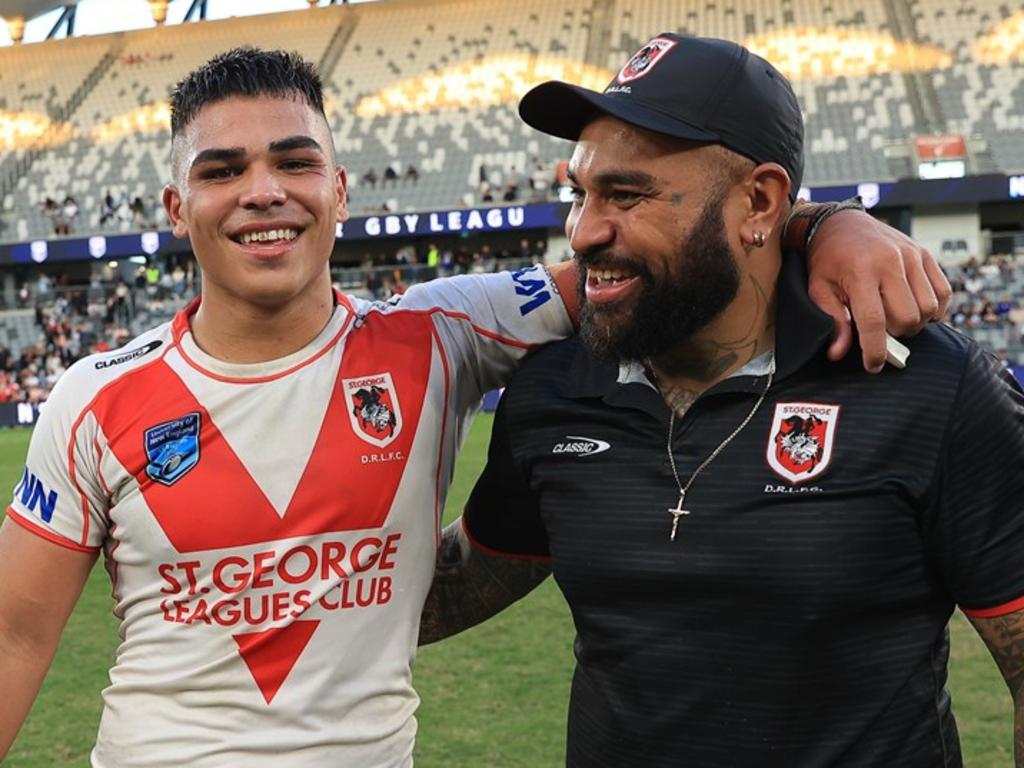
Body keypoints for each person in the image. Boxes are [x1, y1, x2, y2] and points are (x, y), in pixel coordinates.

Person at [0, 46, 948, 767]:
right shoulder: (96, 396)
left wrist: (823, 224)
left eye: (293, 162)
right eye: (221, 171)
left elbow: (653, 261)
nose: (262, 193)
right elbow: (17, 633)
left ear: (339, 190)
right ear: (176, 205)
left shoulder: (441, 331)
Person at [419, 34, 1024, 767]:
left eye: (627, 194)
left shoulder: (928, 384)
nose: (582, 231)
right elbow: (463, 578)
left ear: (760, 201)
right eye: (578, 193)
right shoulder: (554, 385)